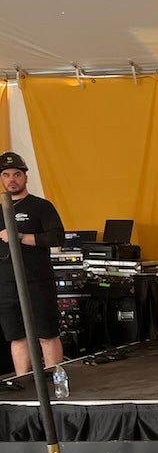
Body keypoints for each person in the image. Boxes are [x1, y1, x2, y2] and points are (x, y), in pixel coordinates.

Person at [0, 151, 65, 376]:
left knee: (46, 335)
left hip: (37, 282)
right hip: (7, 286)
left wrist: (20, 237)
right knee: (17, 337)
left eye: (16, 174)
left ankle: (55, 380)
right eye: (6, 175)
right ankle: (23, 384)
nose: (12, 179)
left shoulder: (41, 207)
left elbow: (57, 237)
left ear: (25, 177)